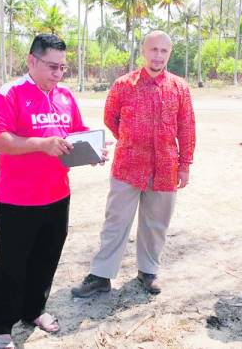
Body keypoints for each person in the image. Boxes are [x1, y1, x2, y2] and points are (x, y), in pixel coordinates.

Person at [0, 33, 104, 349]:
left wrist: (92, 152)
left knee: (46, 258)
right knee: (11, 263)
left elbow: (75, 133)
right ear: (31, 61)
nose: (58, 74)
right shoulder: (9, 94)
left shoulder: (65, 95)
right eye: (52, 66)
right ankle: (0, 327)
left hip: (57, 194)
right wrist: (41, 144)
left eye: (63, 68)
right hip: (17, 198)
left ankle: (33, 310)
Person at [71, 30, 196, 298]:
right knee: (115, 221)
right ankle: (101, 275)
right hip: (127, 166)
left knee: (156, 224)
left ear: (169, 53)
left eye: (164, 51)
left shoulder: (179, 88)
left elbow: (186, 128)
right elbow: (110, 118)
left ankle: (148, 272)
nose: (158, 56)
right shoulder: (123, 85)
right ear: (143, 51)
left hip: (165, 168)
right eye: (153, 50)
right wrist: (130, 140)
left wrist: (185, 164)